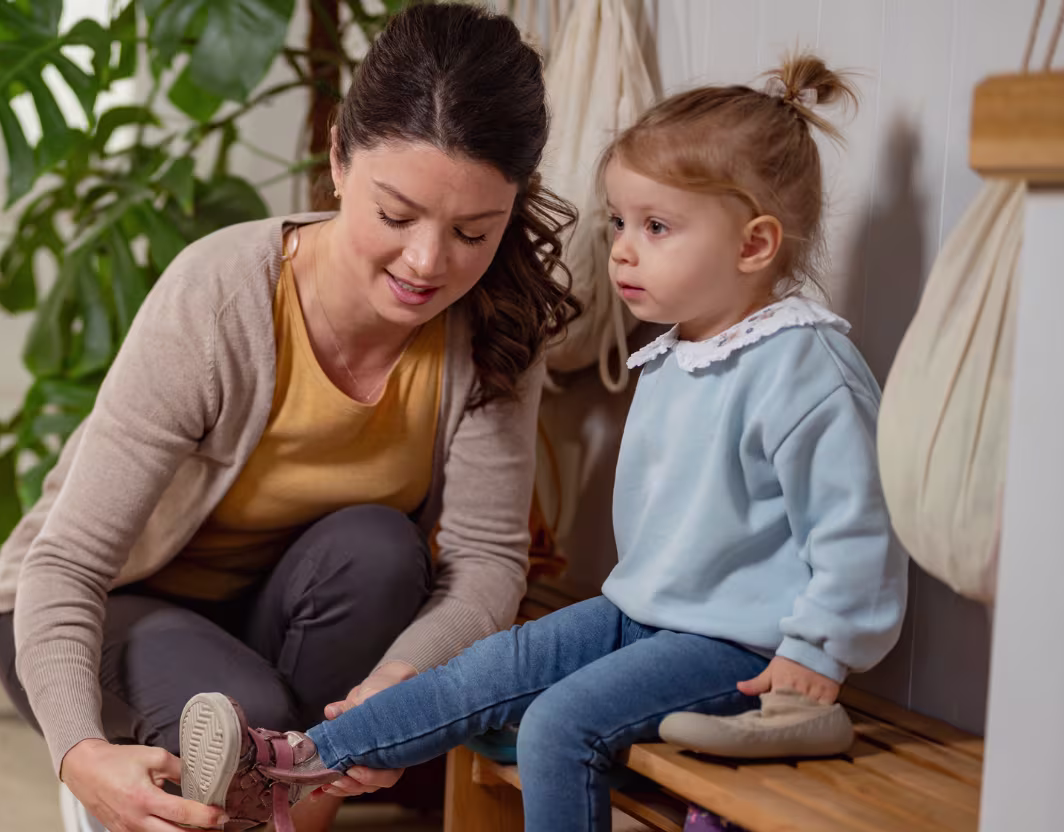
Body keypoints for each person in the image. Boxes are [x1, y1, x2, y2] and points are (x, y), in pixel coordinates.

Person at [176, 53, 909, 832]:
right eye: (620, 222)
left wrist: (818, 654)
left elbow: (857, 530)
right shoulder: (679, 351)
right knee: (488, 670)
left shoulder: (803, 365)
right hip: (647, 614)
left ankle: (305, 765)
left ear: (754, 245)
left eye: (656, 227)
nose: (623, 248)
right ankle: (293, 766)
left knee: (561, 725)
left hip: (746, 649)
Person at [0, 4, 579, 831]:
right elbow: (67, 564)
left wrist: (402, 678)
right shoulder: (221, 295)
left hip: (285, 609)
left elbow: (484, 564)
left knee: (378, 551)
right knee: (243, 710)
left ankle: (290, 799)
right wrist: (80, 755)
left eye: (473, 231)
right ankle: (194, 777)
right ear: (336, 157)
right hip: (106, 605)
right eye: (396, 217)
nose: (428, 263)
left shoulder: (497, 324)